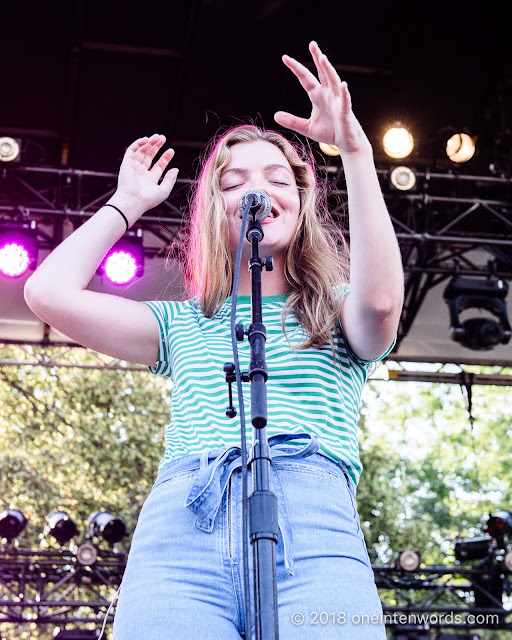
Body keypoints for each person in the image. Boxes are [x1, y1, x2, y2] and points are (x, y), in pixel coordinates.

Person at [24, 41, 403, 639]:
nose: (257, 190)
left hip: (312, 524)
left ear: (300, 203)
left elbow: (381, 306)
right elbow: (47, 295)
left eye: (278, 178)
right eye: (234, 183)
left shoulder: (335, 309)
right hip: (183, 527)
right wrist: (126, 204)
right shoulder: (182, 322)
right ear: (214, 209)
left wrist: (353, 149)